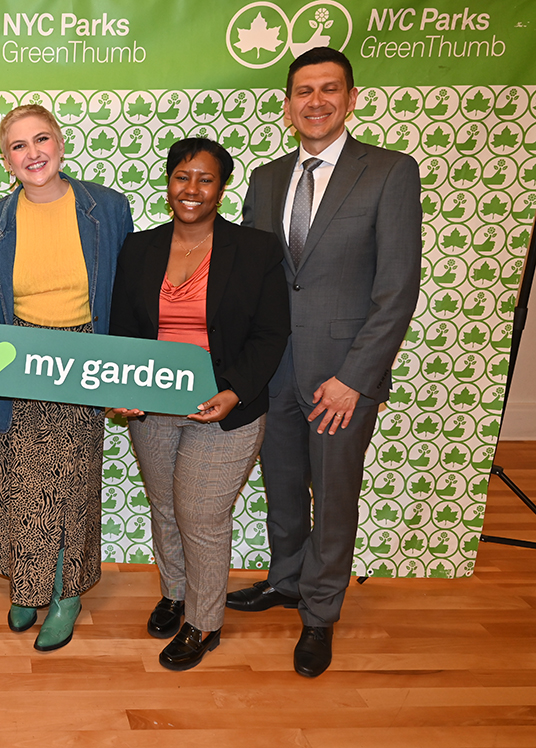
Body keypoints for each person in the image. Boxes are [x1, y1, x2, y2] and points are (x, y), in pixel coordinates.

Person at [228, 47, 421, 677]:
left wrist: (354, 379)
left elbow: (397, 290)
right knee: (281, 488)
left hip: (344, 376)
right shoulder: (265, 178)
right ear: (287, 105)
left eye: (328, 89)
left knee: (333, 495)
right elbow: (254, 277)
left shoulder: (390, 173)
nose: (315, 101)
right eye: (303, 91)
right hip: (274, 371)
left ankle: (320, 614)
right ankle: (285, 580)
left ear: (352, 98)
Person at [109, 138, 290, 670]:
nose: (192, 189)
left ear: (221, 187)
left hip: (227, 406)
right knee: (165, 506)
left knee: (201, 514)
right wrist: (124, 387)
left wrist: (234, 390)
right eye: (182, 176)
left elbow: (271, 333)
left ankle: (204, 622)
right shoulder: (139, 247)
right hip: (154, 404)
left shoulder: (255, 250)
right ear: (169, 182)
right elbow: (124, 329)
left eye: (205, 179)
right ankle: (176, 592)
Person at [0, 104, 133, 652]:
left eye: (41, 140)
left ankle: (64, 592)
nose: (32, 153)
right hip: (17, 354)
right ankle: (28, 584)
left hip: (85, 355)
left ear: (60, 144)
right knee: (19, 482)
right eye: (18, 145)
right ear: (6, 158)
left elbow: (127, 293)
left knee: (71, 483)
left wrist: (126, 371)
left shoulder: (107, 207)